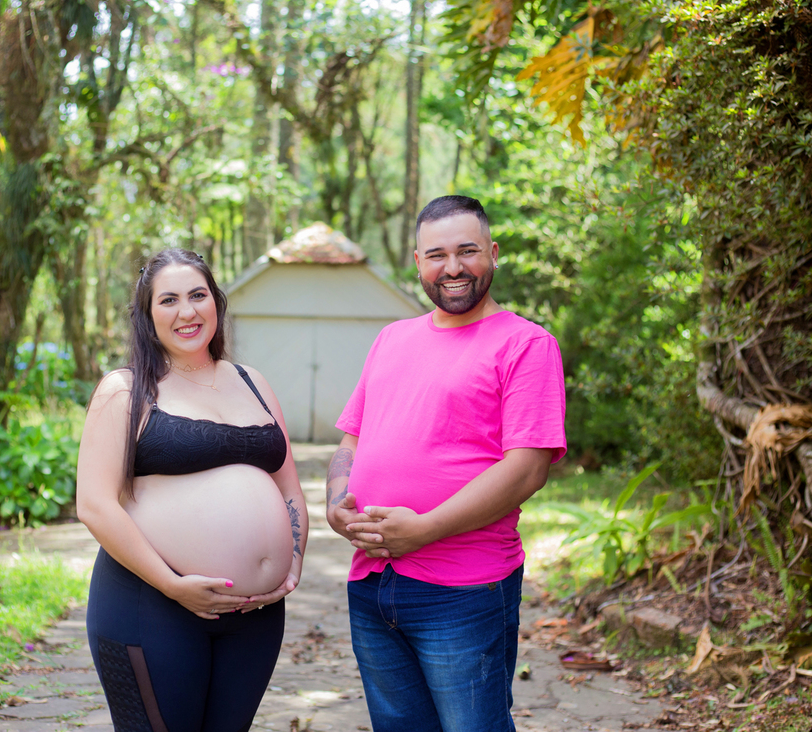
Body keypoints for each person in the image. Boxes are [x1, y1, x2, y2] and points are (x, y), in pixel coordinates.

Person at [325, 195, 567, 732]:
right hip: (372, 582)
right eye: (436, 255)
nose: (452, 268)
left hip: (463, 589)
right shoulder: (392, 339)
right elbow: (349, 444)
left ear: (493, 254)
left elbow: (528, 468)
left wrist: (425, 529)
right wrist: (335, 507)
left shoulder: (526, 344)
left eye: (467, 251)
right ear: (417, 262)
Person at [76, 247, 308, 732]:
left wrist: (293, 563)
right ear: (147, 314)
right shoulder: (125, 390)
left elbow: (288, 488)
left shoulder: (253, 382)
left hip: (256, 615)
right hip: (153, 604)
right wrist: (173, 585)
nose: (187, 311)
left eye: (198, 295)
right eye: (169, 300)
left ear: (216, 303)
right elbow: (95, 506)